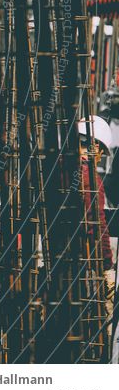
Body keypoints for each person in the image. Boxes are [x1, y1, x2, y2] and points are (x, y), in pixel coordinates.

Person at [78, 117, 115, 307]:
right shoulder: (90, 179)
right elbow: (98, 225)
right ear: (96, 148)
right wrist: (107, 267)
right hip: (80, 263)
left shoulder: (60, 168)